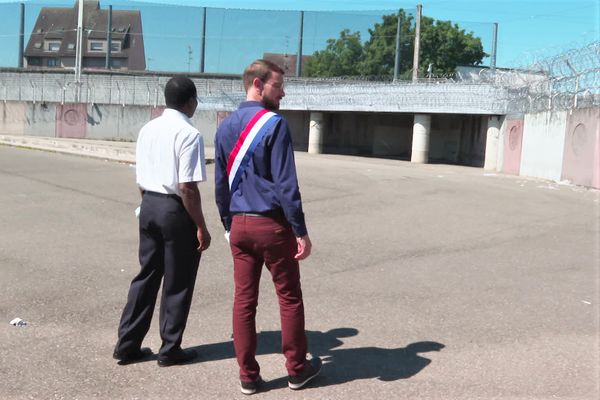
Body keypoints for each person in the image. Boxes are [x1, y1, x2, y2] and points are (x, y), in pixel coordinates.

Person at [214, 59, 321, 395]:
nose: (284, 92)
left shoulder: (225, 126)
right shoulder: (275, 124)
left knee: (244, 301)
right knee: (289, 298)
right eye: (279, 85)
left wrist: (228, 223)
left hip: (240, 224)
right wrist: (299, 230)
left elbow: (220, 185)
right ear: (258, 84)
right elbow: (286, 185)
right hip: (272, 225)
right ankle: (296, 370)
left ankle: (248, 376)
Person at [113, 76, 211, 367]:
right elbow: (188, 188)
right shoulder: (189, 134)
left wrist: (148, 205)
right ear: (191, 101)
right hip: (174, 209)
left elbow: (141, 176)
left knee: (146, 275)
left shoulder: (148, 128)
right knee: (178, 280)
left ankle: (127, 344)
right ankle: (170, 348)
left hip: (149, 204)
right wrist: (202, 227)